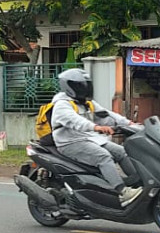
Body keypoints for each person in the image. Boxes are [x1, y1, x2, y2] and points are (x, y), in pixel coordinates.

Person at [50, 68, 143, 207]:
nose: (85, 88)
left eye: (86, 85)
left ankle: (138, 183)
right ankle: (123, 193)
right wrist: (96, 127)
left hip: (89, 139)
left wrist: (129, 124)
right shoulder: (61, 105)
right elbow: (76, 121)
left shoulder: (87, 103)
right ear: (69, 86)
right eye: (80, 86)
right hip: (70, 143)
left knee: (121, 152)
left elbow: (107, 115)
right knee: (103, 157)